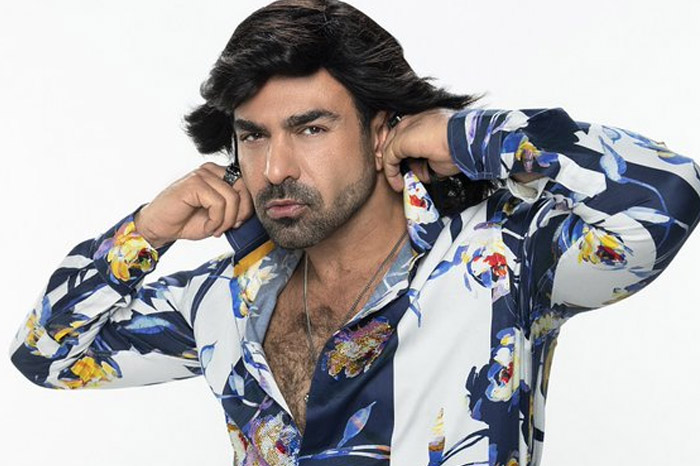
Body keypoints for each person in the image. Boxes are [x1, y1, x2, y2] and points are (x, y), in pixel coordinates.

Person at [8, 0, 700, 464]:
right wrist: (146, 232)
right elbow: (47, 355)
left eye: (310, 128)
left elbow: (667, 196)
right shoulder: (221, 301)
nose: (275, 168)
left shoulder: (501, 260)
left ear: (380, 132)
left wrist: (466, 136)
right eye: (253, 136)